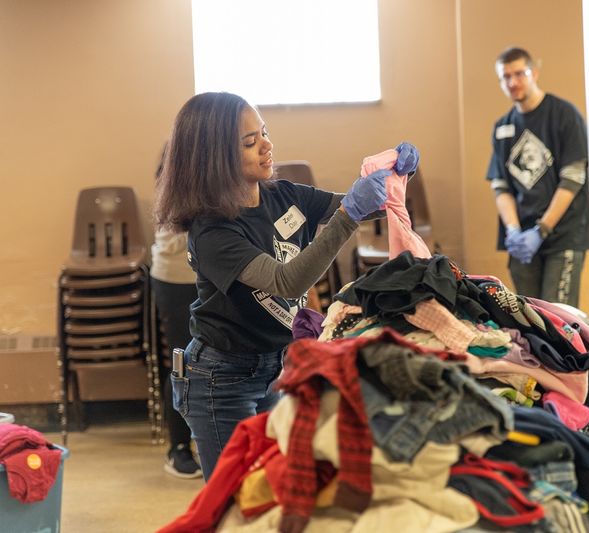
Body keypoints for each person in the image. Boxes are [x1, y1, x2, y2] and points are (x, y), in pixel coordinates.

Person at [154, 91, 418, 479]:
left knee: (275, 489)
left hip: (274, 367)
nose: (266, 145)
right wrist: (350, 213)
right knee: (236, 499)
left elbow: (362, 205)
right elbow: (286, 281)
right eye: (250, 142)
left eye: (264, 132)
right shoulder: (213, 232)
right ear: (215, 158)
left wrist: (395, 174)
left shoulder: (284, 195)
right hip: (221, 380)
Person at [486, 47, 589, 306]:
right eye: (505, 77)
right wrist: (513, 231)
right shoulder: (502, 127)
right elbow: (501, 188)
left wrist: (541, 230)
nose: (512, 82)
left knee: (558, 317)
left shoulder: (564, 115)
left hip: (563, 235)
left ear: (535, 73)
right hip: (522, 240)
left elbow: (573, 179)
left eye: (519, 73)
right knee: (530, 316)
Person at [151, 149, 203, 479]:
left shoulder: (225, 162)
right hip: (177, 278)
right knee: (182, 361)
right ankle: (178, 447)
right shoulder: (174, 168)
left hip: (214, 277)